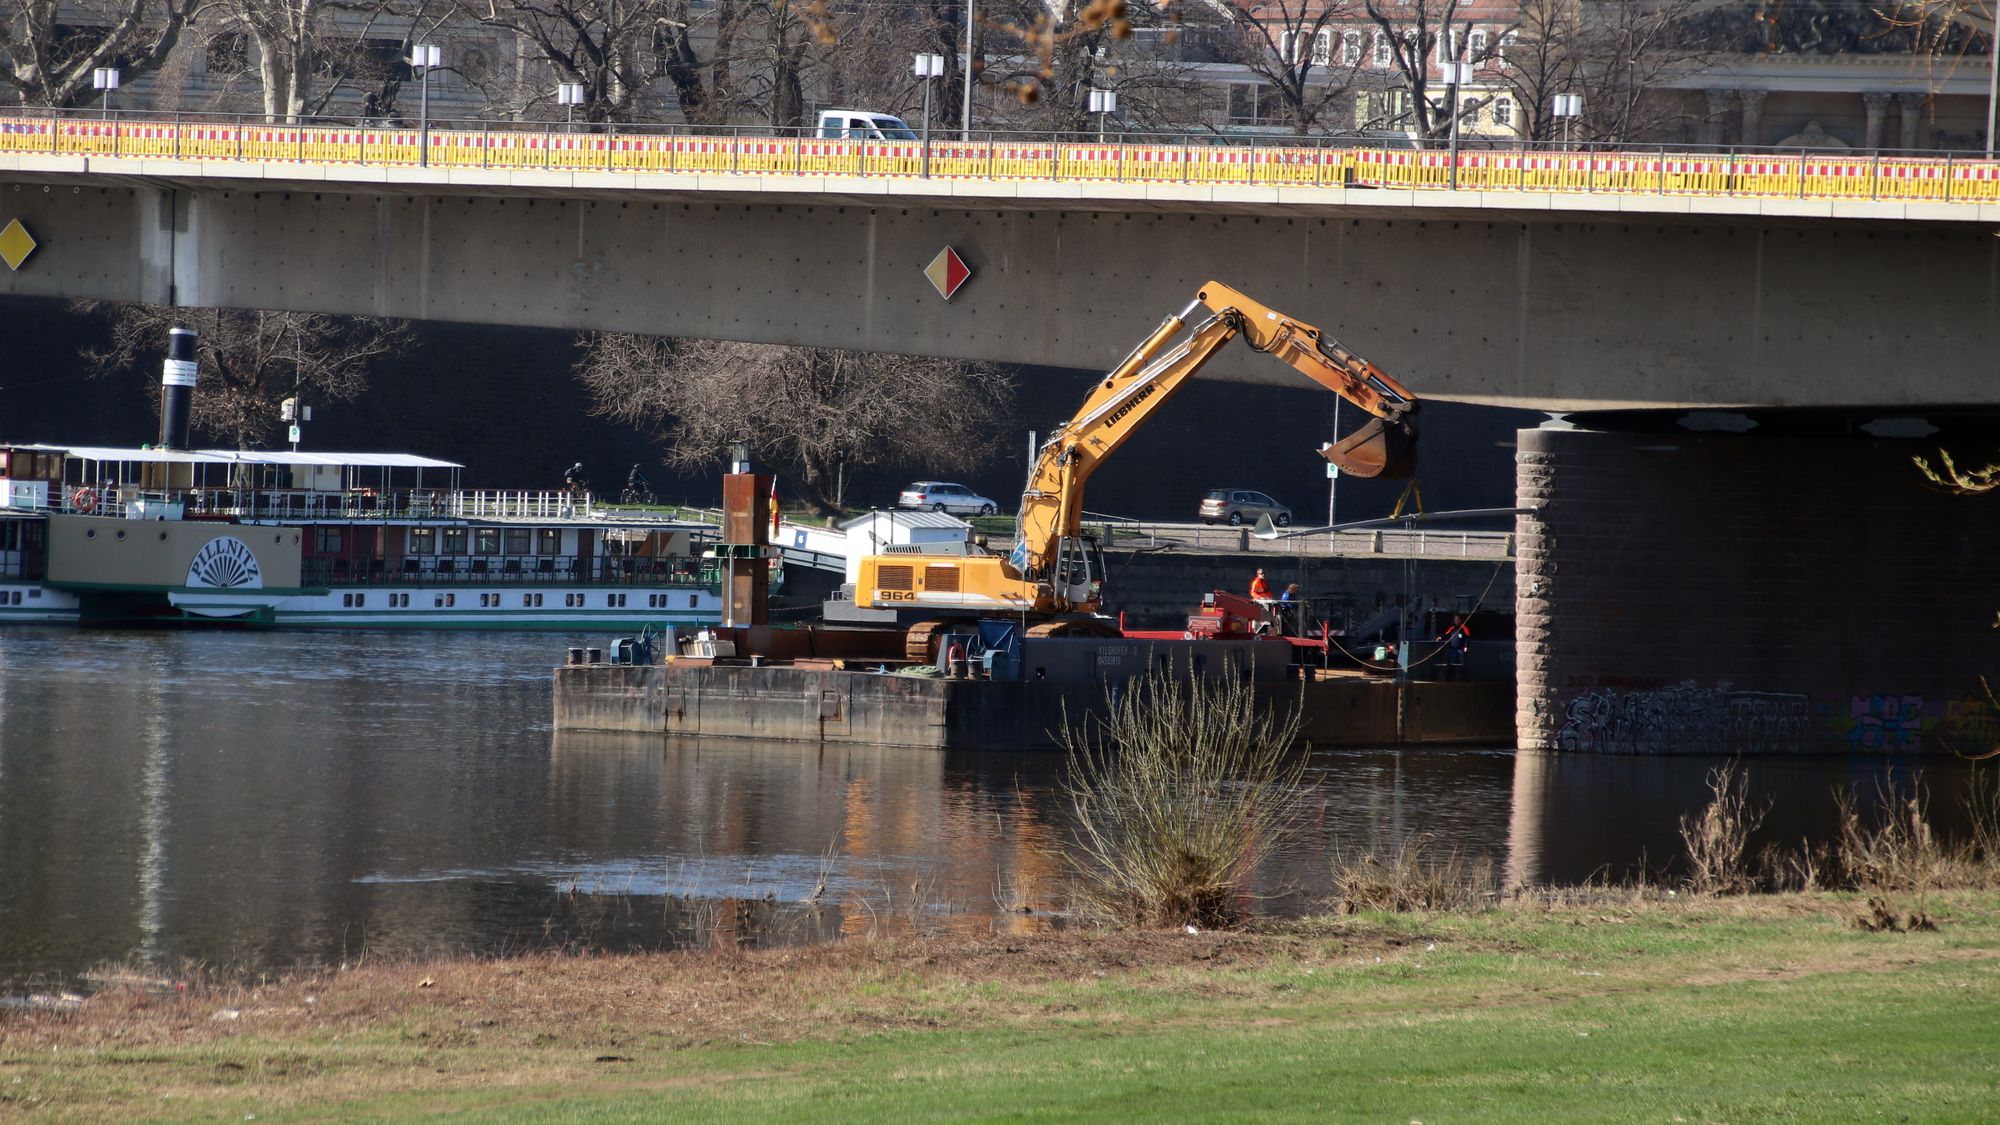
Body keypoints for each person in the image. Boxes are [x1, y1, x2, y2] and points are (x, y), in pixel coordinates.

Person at [1440, 614, 1472, 681]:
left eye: (1457, 619)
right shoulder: (1452, 628)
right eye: (1455, 620)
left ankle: (1465, 679)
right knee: (1452, 664)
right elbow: (1446, 634)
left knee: (1463, 665)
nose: (1456, 621)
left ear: (1460, 620)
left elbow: (1468, 638)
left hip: (1461, 649)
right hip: (1453, 649)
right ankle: (1449, 679)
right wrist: (1440, 637)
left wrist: (1466, 646)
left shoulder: (1464, 628)